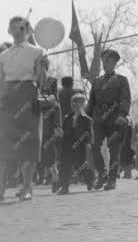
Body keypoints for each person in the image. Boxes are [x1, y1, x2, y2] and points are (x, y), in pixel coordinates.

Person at [0, 17, 48, 201]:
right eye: (14, 28)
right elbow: (0, 81)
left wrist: (41, 66)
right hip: (8, 100)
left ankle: (27, 187)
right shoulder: (3, 56)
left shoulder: (37, 51)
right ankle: (1, 189)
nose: (18, 31)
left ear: (27, 30)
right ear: (9, 30)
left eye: (22, 28)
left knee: (29, 144)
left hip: (28, 97)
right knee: (3, 145)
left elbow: (43, 82)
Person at [86, 49, 131, 191]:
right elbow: (91, 102)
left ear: (115, 63)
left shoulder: (121, 80)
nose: (105, 64)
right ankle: (102, 175)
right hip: (99, 118)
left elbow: (125, 99)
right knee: (94, 147)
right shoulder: (97, 81)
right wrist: (87, 118)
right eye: (104, 61)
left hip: (115, 118)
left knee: (114, 150)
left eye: (109, 61)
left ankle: (112, 180)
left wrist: (122, 115)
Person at [57, 93, 94, 194]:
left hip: (81, 146)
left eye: (77, 105)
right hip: (67, 145)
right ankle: (64, 187)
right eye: (72, 105)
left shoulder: (87, 120)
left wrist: (88, 147)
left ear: (83, 105)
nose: (74, 107)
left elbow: (90, 135)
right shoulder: (67, 117)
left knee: (81, 166)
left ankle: (90, 181)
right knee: (64, 166)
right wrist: (60, 136)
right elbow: (63, 131)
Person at [38, 59, 62, 191]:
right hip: (32, 122)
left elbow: (56, 103)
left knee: (49, 152)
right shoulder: (30, 81)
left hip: (47, 123)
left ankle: (55, 177)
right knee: (31, 152)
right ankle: (27, 185)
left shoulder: (52, 81)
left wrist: (58, 125)